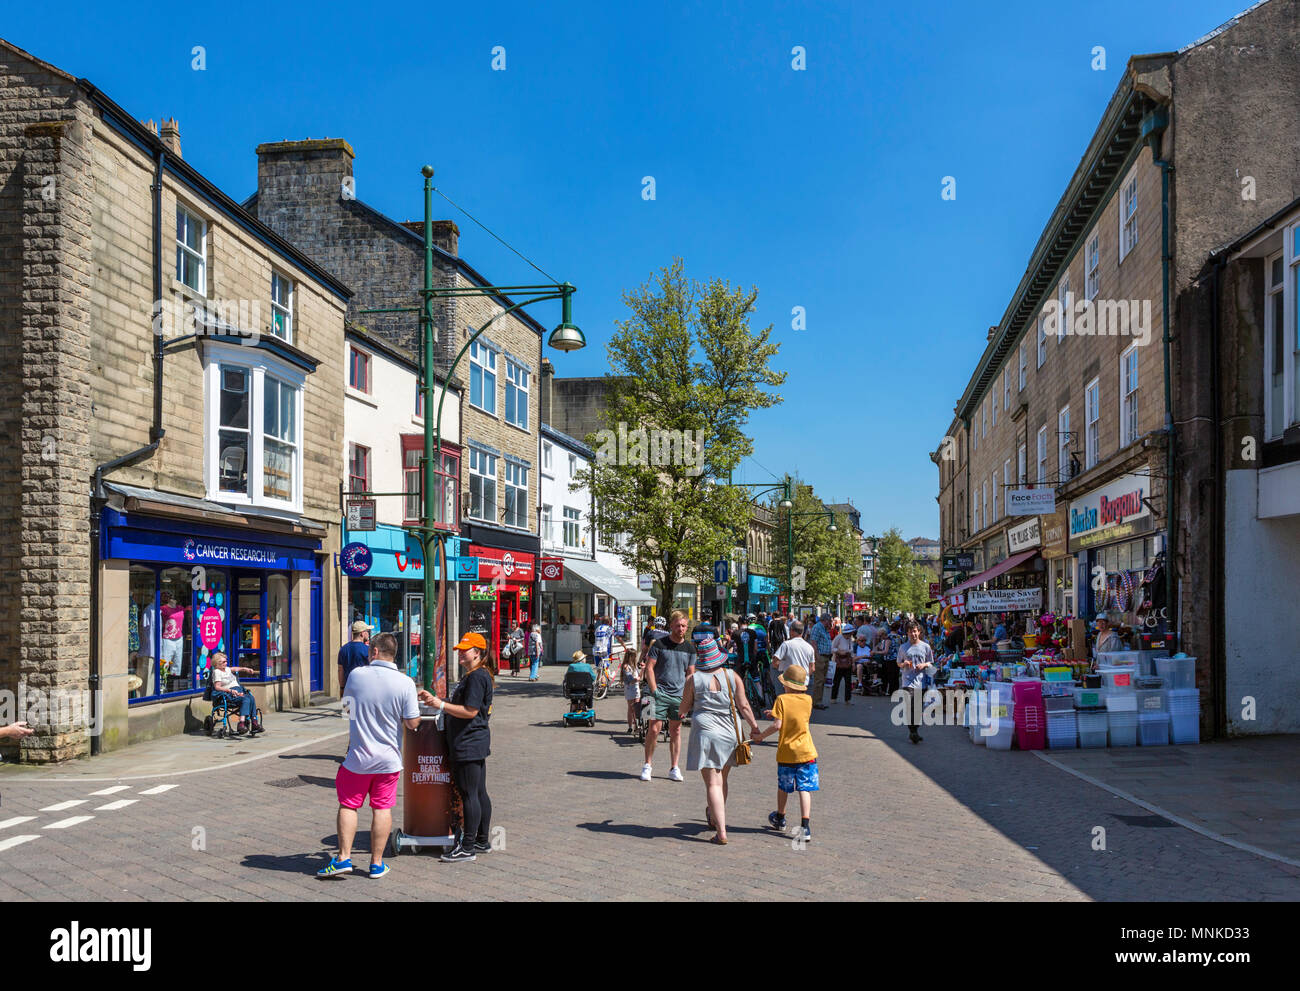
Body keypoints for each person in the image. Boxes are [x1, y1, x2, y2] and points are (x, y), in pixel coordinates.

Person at [318, 633, 419, 879]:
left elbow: (347, 708)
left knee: (348, 806)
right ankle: (376, 863)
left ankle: (343, 857)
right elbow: (413, 723)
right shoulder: (406, 682)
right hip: (388, 760)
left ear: (374, 651)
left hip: (358, 759)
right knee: (382, 808)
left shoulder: (356, 675)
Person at [419, 631, 495, 863]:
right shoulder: (476, 675)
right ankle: (481, 840)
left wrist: (440, 704)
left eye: (465, 650)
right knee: (478, 792)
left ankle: (468, 846)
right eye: (460, 649)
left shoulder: (476, 677)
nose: (461, 654)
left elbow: (470, 711)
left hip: (469, 742)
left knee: (470, 794)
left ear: (477, 653)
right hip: (473, 740)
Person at [680, 635, 759, 844]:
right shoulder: (732, 676)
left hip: (705, 733)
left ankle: (721, 831)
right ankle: (715, 818)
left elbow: (684, 708)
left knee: (712, 783)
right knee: (722, 779)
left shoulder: (693, 680)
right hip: (729, 733)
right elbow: (744, 707)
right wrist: (755, 728)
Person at [752, 663, 818, 843]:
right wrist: (774, 713)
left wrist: (761, 736)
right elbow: (796, 717)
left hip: (787, 752)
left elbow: (778, 724)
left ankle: (780, 817)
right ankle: (805, 826)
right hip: (806, 750)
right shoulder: (808, 700)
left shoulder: (781, 699)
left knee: (784, 786)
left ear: (788, 685)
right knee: (805, 788)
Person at [641, 610, 693, 782]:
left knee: (676, 730)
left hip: (678, 695)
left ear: (687, 627)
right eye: (677, 625)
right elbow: (649, 668)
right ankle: (647, 765)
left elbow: (690, 676)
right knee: (653, 729)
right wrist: (654, 690)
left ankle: (674, 767)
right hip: (657, 693)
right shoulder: (659, 644)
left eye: (683, 626)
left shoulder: (690, 649)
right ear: (671, 625)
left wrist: (688, 698)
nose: (680, 628)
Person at [897, 621, 936, 744]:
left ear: (919, 632)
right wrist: (904, 664)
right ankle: (912, 731)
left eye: (915, 631)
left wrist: (924, 664)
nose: (913, 634)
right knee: (910, 707)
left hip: (921, 682)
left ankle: (915, 730)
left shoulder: (926, 646)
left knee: (918, 709)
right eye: (910, 631)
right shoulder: (903, 647)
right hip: (907, 682)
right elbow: (898, 663)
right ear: (907, 633)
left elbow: (931, 662)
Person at [210, 651, 263, 735]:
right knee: (246, 699)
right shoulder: (217, 672)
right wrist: (231, 691)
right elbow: (217, 687)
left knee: (251, 697)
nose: (226, 663)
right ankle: (241, 723)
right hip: (228, 694)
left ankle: (254, 722)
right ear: (217, 663)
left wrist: (245, 669)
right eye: (223, 662)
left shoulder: (226, 669)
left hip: (238, 691)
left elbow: (234, 669)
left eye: (226, 661)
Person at [771, 619, 815, 699]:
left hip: (789, 683)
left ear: (791, 631)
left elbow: (775, 662)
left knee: (788, 705)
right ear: (802, 632)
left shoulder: (786, 645)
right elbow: (812, 668)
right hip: (803, 683)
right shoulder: (809, 647)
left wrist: (782, 668)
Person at [337, 620, 371, 693]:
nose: (368, 634)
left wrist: (342, 688)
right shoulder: (368, 650)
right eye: (367, 631)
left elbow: (340, 670)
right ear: (362, 633)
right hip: (363, 688)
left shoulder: (343, 649)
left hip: (348, 688)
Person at [809, 614, 833, 710]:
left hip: (826, 656)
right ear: (826, 620)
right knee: (819, 680)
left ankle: (819, 700)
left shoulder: (824, 628)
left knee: (822, 680)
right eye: (830, 621)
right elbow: (813, 642)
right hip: (821, 657)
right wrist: (817, 656)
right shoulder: (817, 627)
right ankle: (816, 702)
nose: (831, 623)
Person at [830, 621, 856, 705]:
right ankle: (833, 698)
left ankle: (847, 699)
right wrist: (838, 651)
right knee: (836, 681)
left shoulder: (850, 639)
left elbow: (851, 652)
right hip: (838, 662)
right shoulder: (839, 637)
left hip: (847, 662)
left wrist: (853, 663)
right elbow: (832, 648)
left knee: (848, 682)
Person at [621, 642, 644, 733]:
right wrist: (637, 679)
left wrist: (642, 669)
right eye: (634, 656)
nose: (636, 658)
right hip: (630, 689)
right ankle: (630, 727)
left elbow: (639, 677)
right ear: (630, 656)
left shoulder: (634, 666)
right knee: (631, 708)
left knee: (637, 708)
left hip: (636, 688)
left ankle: (636, 726)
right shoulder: (626, 666)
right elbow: (631, 679)